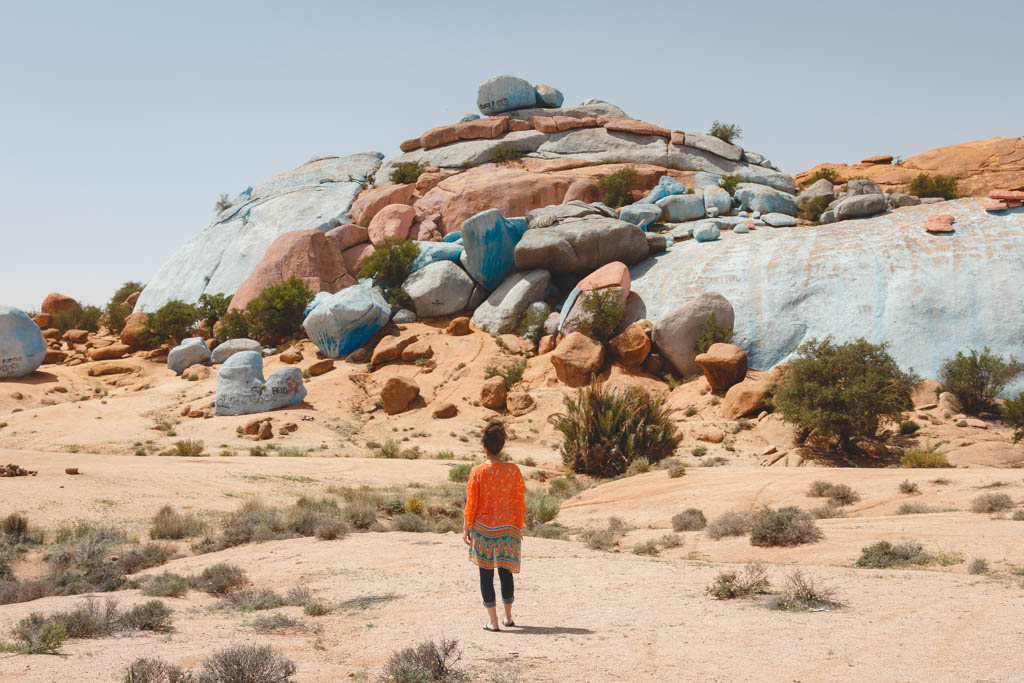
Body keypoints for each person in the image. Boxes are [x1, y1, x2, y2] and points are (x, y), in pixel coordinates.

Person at [462, 421, 525, 632]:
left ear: (484, 446)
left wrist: (466, 527)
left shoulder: (477, 472)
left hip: (484, 529)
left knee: (486, 575)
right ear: (501, 446)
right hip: (508, 529)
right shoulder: (513, 470)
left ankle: (493, 622)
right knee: (505, 572)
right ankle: (508, 617)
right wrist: (517, 527)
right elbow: (518, 501)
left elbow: (472, 503)